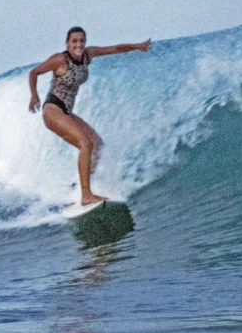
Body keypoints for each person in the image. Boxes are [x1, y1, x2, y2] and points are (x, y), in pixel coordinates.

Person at [29, 27, 151, 206]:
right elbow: (34, 72)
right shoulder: (60, 59)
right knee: (85, 144)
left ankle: (82, 186)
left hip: (66, 111)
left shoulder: (88, 55)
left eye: (81, 40)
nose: (78, 44)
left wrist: (137, 46)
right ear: (68, 43)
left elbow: (114, 49)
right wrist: (34, 95)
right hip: (52, 109)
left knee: (97, 145)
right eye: (74, 41)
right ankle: (86, 195)